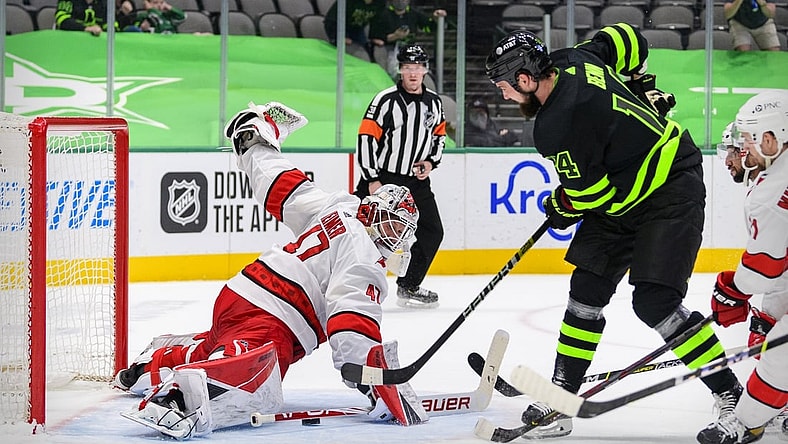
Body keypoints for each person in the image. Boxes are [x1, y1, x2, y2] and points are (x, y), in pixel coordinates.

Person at [485, 25, 743, 439]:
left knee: (656, 301)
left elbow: (591, 194)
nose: (504, 96)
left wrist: (561, 206)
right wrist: (641, 84)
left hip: (670, 187)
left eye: (504, 87)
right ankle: (562, 398)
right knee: (586, 290)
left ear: (525, 78)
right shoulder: (573, 59)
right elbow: (626, 37)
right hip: (624, 190)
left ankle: (731, 393)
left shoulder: (554, 127)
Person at [113, 101, 427, 439]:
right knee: (256, 375)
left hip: (243, 292)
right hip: (276, 316)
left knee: (218, 347)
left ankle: (149, 367)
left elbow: (285, 187)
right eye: (394, 228)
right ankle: (175, 401)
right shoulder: (364, 253)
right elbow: (351, 316)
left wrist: (255, 142)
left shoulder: (340, 207)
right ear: (377, 215)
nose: (395, 239)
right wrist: (370, 379)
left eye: (401, 233)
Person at [698, 90, 788, 444]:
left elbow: (766, 265)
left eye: (748, 139)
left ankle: (746, 421)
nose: (743, 147)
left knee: (781, 350)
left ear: (770, 138)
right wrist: (770, 314)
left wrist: (732, 290)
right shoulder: (777, 173)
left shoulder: (772, 191)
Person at [355, 44, 445, 309]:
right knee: (358, 230)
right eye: (408, 68)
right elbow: (366, 138)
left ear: (425, 70)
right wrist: (372, 178)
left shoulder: (434, 102)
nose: (413, 73)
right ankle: (348, 284)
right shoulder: (385, 100)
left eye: (418, 68)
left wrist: (431, 162)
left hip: (416, 181)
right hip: (383, 178)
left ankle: (409, 285)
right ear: (400, 70)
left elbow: (438, 136)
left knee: (432, 231)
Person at [368, 0, 446, 77]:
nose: (400, 1)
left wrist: (436, 19)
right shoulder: (382, 14)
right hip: (387, 52)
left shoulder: (414, 14)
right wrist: (395, 36)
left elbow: (430, 27)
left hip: (409, 52)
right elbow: (375, 37)